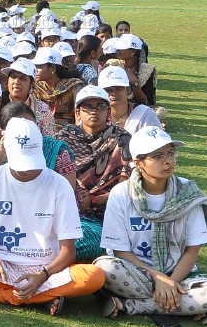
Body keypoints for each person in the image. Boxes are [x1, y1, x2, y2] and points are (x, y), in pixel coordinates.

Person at [0, 117, 105, 315]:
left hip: (46, 269)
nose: (27, 170)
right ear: (5, 151)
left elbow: (68, 252)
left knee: (94, 276)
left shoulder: (59, 185)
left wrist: (42, 275)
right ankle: (41, 298)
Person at [94, 127, 207, 324]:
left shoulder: (187, 194)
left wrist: (171, 281)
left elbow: (192, 250)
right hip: (137, 274)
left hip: (180, 275)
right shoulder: (121, 193)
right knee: (105, 267)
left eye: (170, 153)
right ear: (138, 163)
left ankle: (133, 305)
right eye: (157, 156)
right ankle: (183, 306)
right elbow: (120, 251)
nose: (168, 161)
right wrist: (158, 278)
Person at [58, 86, 132, 222]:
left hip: (111, 206)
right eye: (88, 107)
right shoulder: (64, 139)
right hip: (68, 205)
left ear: (108, 111)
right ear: (78, 113)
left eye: (100, 106)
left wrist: (94, 200)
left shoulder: (121, 139)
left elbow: (127, 185)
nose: (94, 111)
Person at [1, 58, 56, 136]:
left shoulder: (42, 110)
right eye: (13, 77)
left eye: (23, 79)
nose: (16, 82)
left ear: (31, 85)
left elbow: (50, 140)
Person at [32, 47, 84, 129]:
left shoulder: (74, 86)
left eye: (39, 67)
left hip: (69, 132)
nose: (35, 70)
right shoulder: (36, 87)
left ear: (52, 68)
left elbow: (80, 115)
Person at [99, 66, 161, 134]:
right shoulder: (96, 116)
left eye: (119, 88)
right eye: (108, 90)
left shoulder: (145, 114)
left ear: (128, 90)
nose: (113, 93)